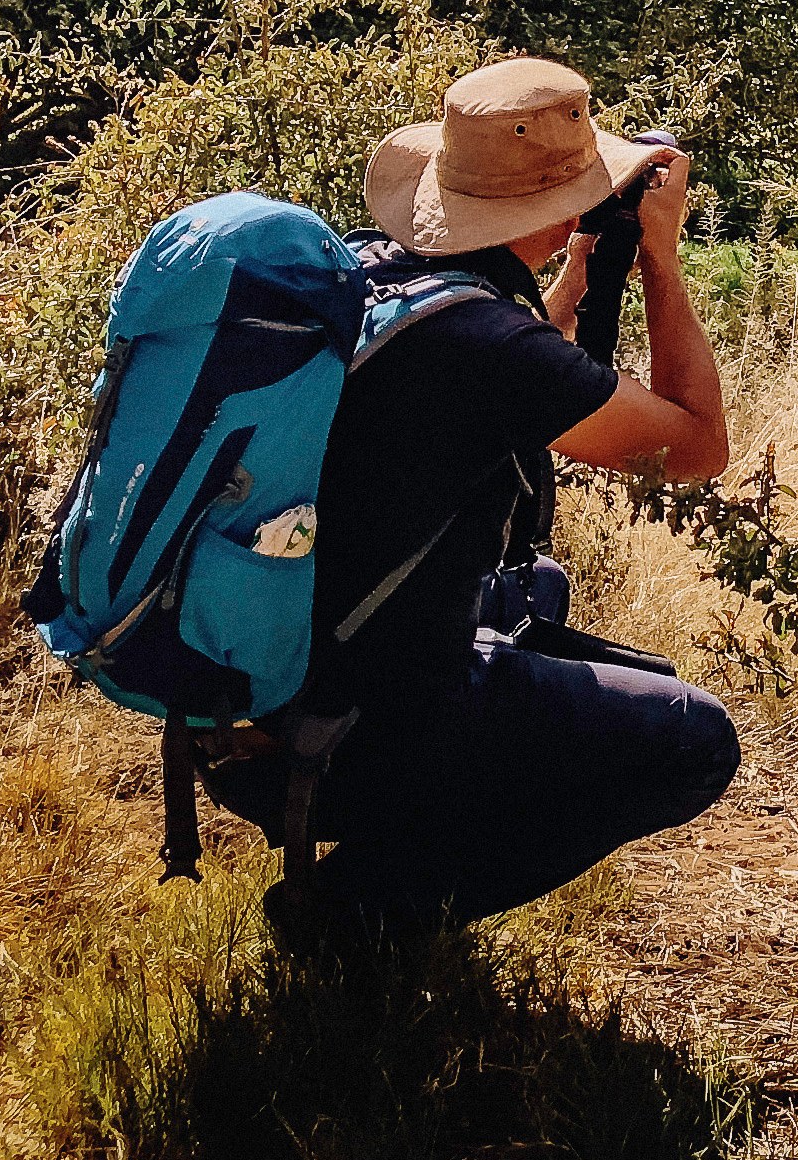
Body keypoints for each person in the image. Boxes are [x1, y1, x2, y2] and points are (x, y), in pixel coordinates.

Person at [213, 55, 741, 934]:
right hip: (343, 731)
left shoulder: (375, 277)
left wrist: (573, 272)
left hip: (235, 700)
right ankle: (364, 911)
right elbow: (697, 444)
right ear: (567, 198)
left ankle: (388, 837)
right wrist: (659, 262)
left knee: (541, 590)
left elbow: (522, 371)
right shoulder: (486, 347)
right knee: (694, 740)